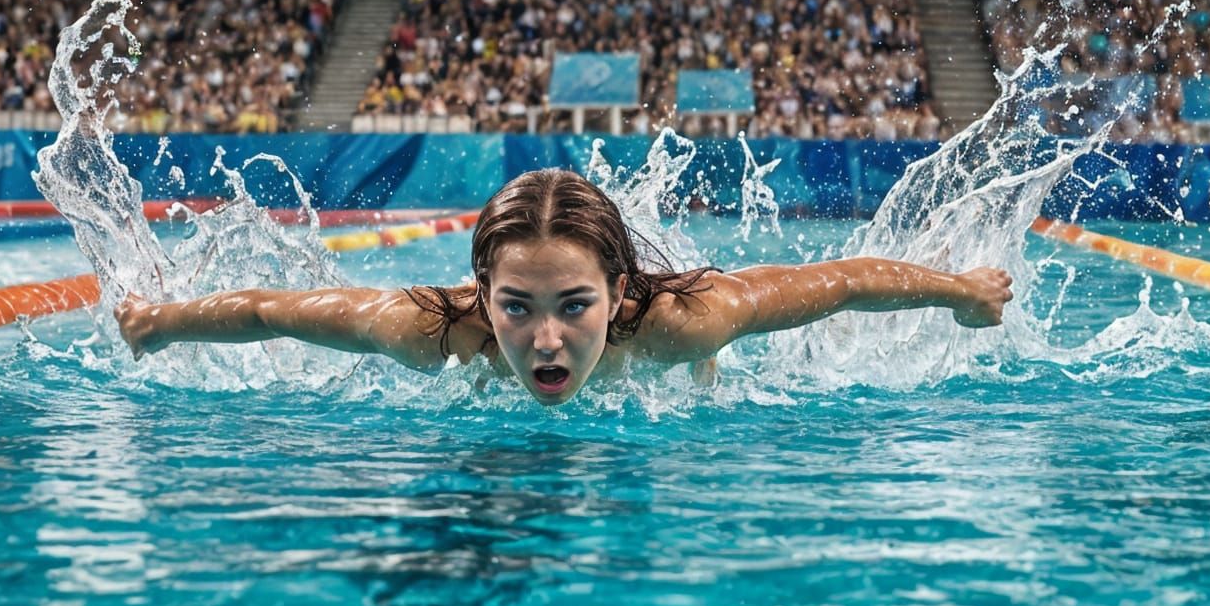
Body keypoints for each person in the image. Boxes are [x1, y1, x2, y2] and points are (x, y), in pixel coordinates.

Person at [114, 169, 1013, 405]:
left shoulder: (689, 321)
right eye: (518, 308)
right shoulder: (429, 330)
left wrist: (964, 291)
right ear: (480, 291)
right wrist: (158, 321)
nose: (545, 341)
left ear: (619, 293)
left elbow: (847, 279)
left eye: (573, 306)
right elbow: (271, 310)